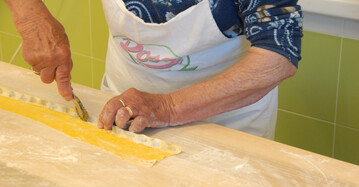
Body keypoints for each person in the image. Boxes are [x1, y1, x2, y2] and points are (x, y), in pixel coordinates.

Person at [4, 0, 302, 139]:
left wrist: (167, 107)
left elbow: (277, 57)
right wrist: (32, 17)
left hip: (224, 125)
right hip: (121, 112)